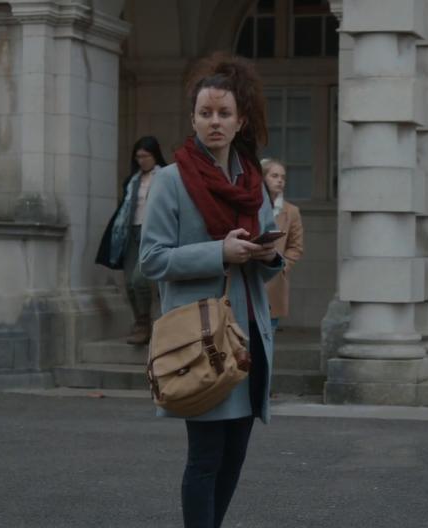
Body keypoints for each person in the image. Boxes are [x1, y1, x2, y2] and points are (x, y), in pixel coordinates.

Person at [138, 54, 283, 528]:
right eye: (205, 113)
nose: (214, 122)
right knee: (204, 459)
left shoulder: (252, 181)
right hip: (201, 338)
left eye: (223, 114)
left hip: (249, 336)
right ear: (193, 119)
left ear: (241, 119)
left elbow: (262, 260)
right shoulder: (170, 180)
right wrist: (218, 252)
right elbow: (153, 259)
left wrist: (267, 256)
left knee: (234, 457)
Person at [95, 136, 167, 344]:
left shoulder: (166, 176)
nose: (141, 160)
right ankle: (140, 322)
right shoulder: (132, 180)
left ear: (155, 156)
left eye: (145, 156)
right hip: (130, 233)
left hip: (152, 232)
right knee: (128, 283)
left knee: (139, 279)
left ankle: (147, 322)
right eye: (138, 157)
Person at [260, 158, 304, 330]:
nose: (280, 180)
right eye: (274, 176)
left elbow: (296, 246)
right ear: (263, 178)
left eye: (283, 177)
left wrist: (282, 266)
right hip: (248, 279)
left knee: (267, 335)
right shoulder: (250, 206)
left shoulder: (291, 212)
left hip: (274, 283)